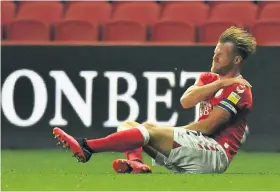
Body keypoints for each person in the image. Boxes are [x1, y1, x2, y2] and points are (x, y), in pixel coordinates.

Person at [53, 26, 256, 174]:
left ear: (237, 60)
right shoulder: (209, 79)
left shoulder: (239, 89)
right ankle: (137, 164)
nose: (215, 58)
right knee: (128, 125)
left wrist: (170, 133)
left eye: (221, 55)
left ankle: (87, 147)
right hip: (196, 147)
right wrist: (219, 84)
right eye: (214, 53)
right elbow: (186, 101)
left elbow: (209, 127)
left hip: (215, 155)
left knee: (148, 130)